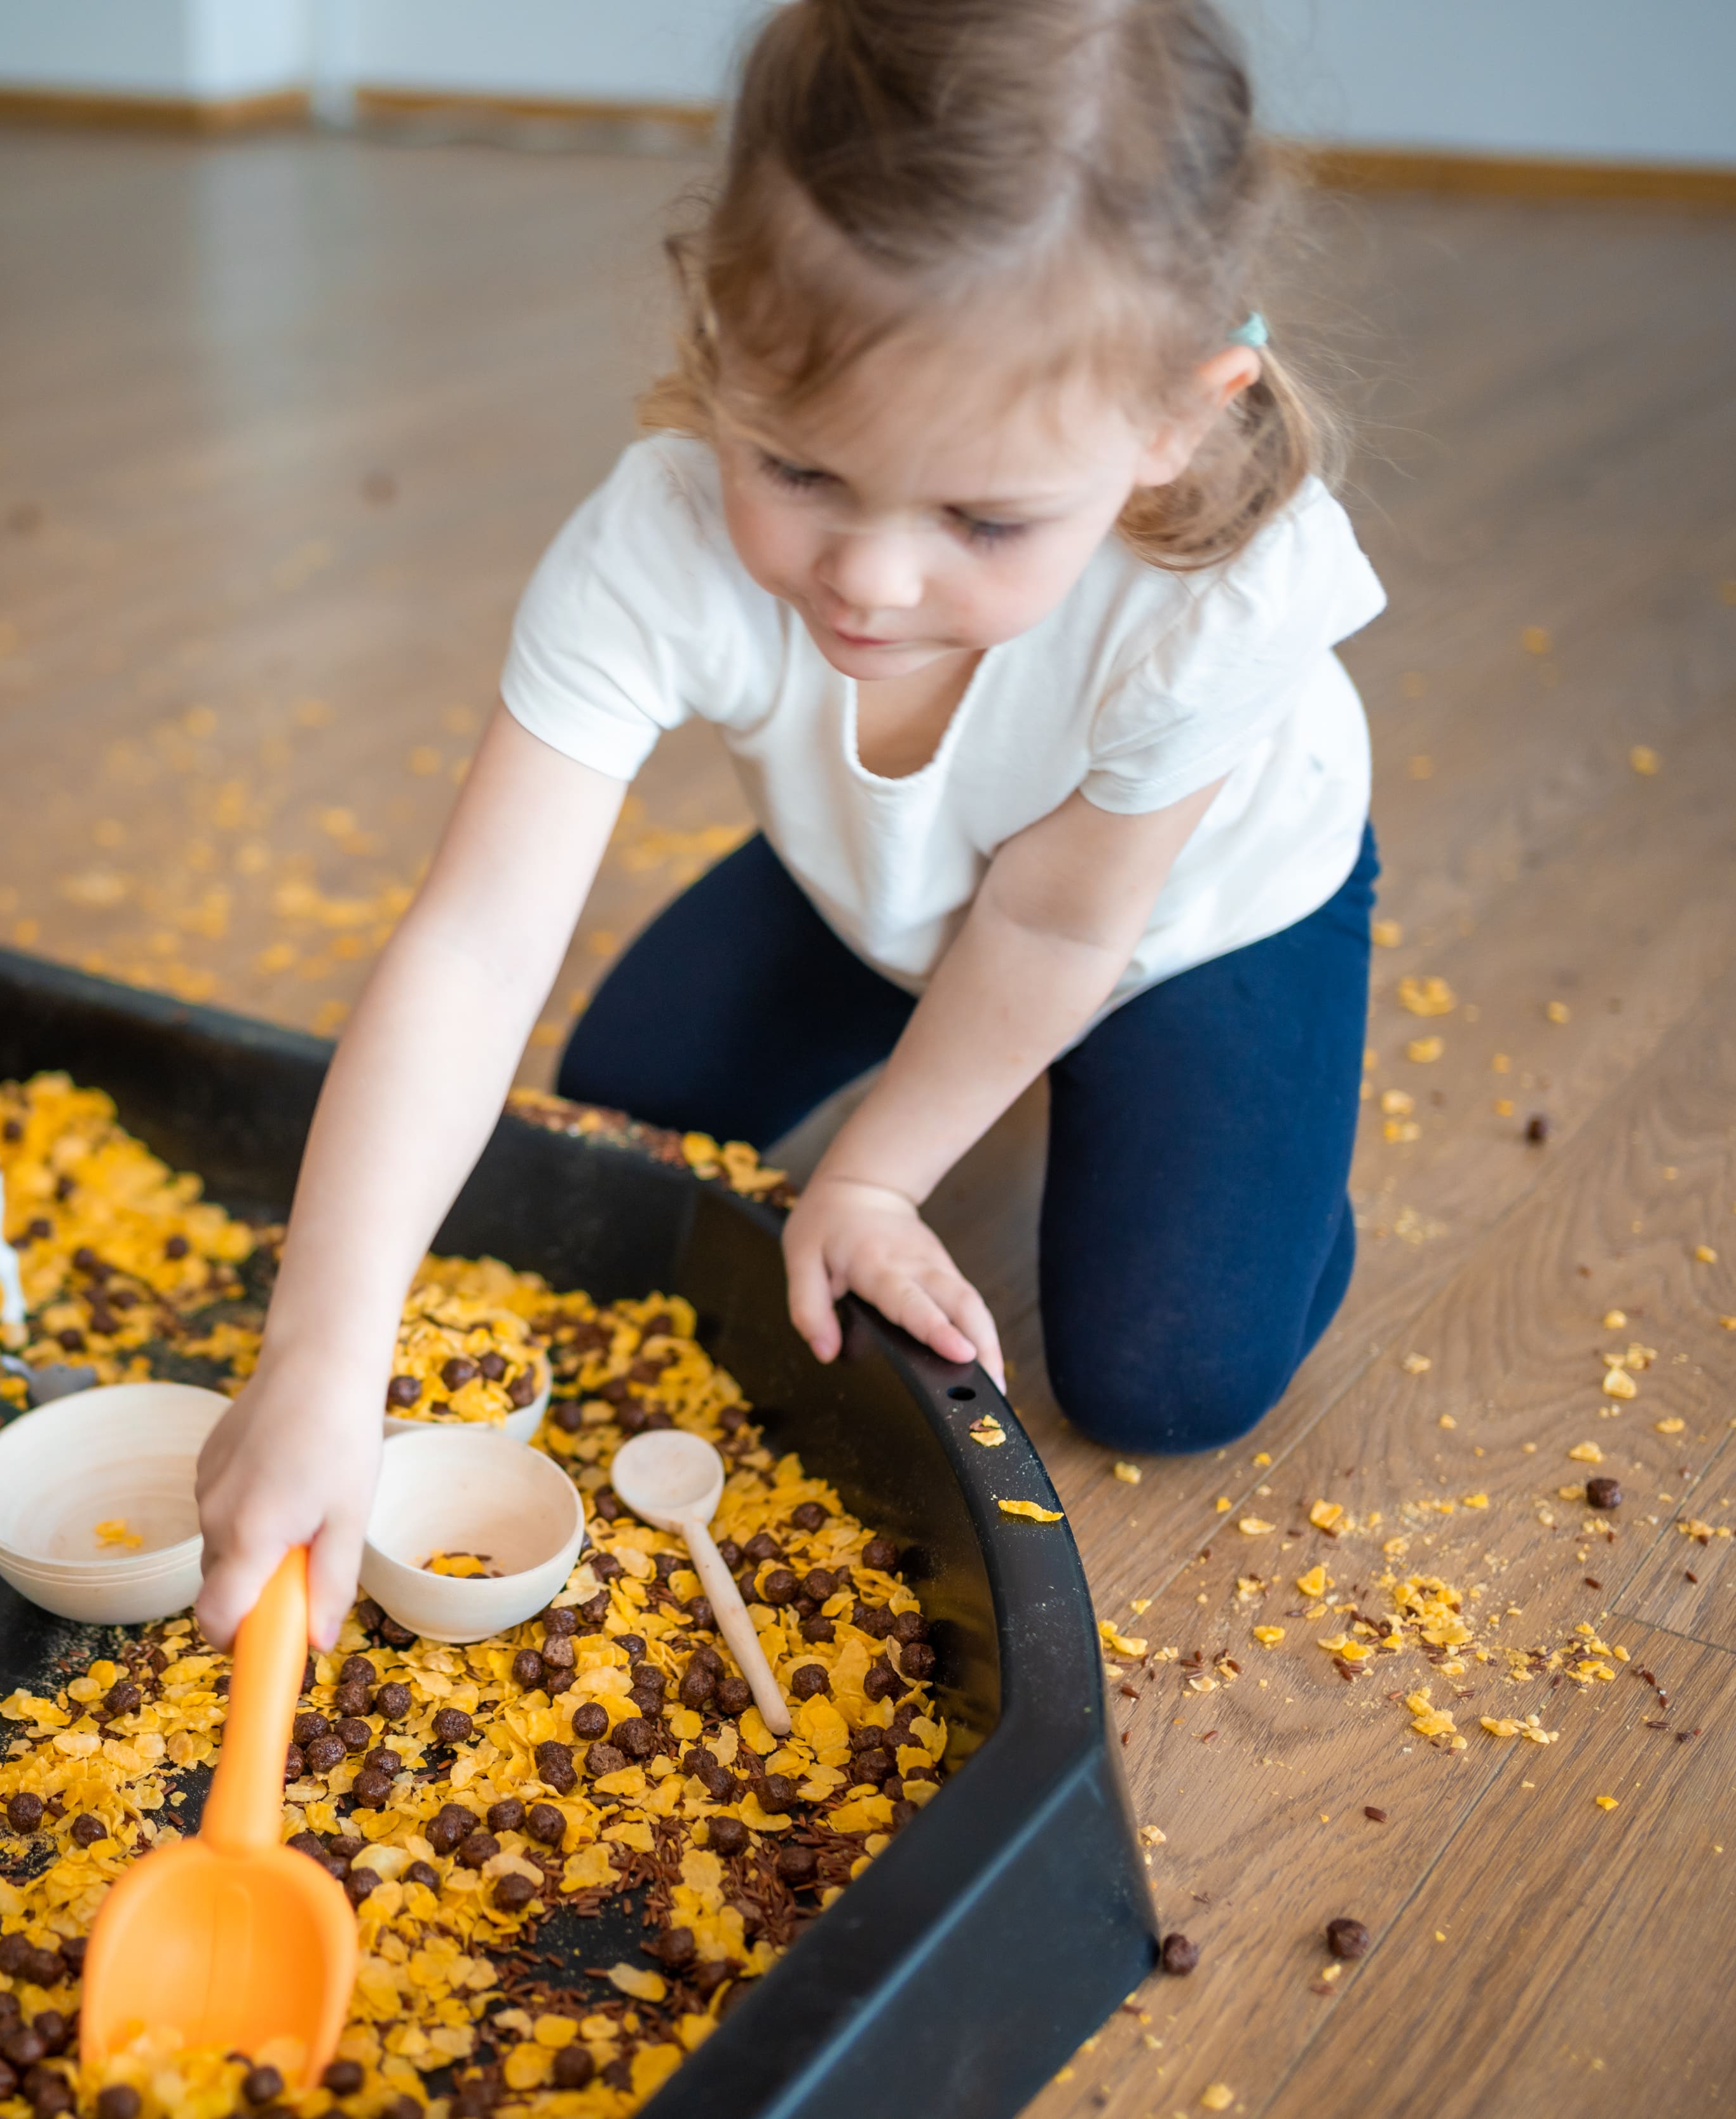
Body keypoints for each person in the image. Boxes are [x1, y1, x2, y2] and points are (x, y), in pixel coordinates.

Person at [194, 0, 1383, 1646]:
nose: (873, 582)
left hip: (1187, 920)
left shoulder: (1224, 594)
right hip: (885, 890)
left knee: (1169, 1374)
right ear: (721, 324)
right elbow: (473, 946)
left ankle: (1248, 1133)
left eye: (982, 516)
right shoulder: (654, 535)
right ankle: (962, 1034)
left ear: (1179, 417)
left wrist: (884, 1178)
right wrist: (321, 1357)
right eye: (805, 471)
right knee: (627, 1112)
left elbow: (1053, 925)